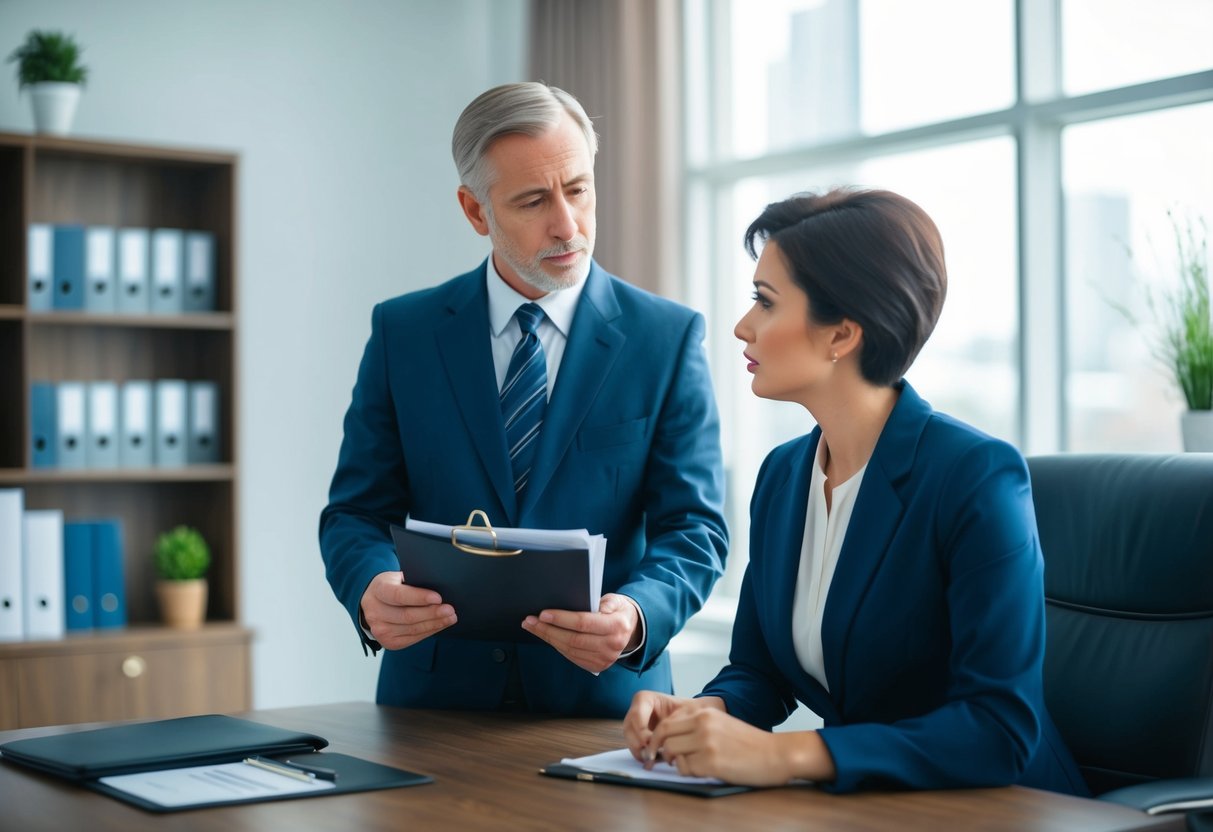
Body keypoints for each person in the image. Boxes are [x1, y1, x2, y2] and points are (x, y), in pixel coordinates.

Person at [623, 188, 1088, 794]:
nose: (742, 326)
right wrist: (706, 715)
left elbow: (998, 728)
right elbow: (760, 673)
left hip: (1003, 808)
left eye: (765, 302)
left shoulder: (974, 476)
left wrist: (785, 755)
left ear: (841, 335)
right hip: (871, 807)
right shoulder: (783, 475)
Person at [318, 82, 728, 717]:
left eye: (579, 189)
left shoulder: (666, 338)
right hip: (431, 707)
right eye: (534, 200)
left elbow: (694, 527)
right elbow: (354, 512)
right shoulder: (404, 333)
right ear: (476, 211)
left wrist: (638, 613)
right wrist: (371, 588)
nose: (567, 225)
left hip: (602, 705)